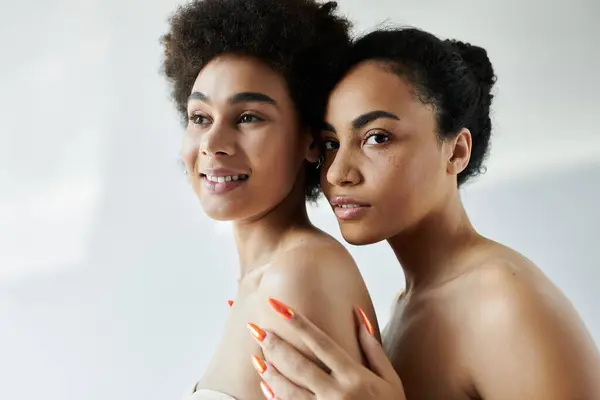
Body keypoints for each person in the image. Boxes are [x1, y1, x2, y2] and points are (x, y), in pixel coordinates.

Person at [248, 28, 600, 399]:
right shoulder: (410, 301)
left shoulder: (501, 302)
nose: (337, 173)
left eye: (377, 137)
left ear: (456, 151)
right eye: (331, 144)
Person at [160, 0, 380, 399]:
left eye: (248, 117)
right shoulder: (265, 277)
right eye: (200, 117)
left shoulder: (299, 272)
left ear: (310, 141)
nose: (213, 144)